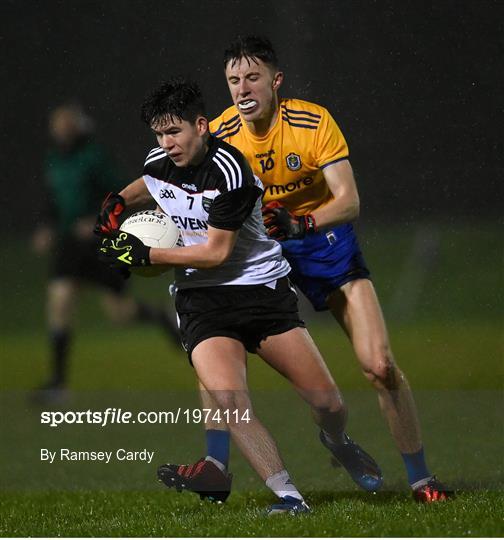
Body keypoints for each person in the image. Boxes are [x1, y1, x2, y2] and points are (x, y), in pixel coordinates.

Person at [96, 79, 383, 514]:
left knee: (329, 403)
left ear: (201, 125)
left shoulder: (230, 170)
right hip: (200, 301)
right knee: (231, 402)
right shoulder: (160, 159)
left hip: (261, 293)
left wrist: (144, 253)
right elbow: (150, 180)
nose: (166, 143)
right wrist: (119, 199)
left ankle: (337, 440)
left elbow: (216, 253)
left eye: (174, 132)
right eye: (158, 134)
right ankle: (289, 497)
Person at [201, 35, 454, 503]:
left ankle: (420, 479)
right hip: (260, 256)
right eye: (234, 80)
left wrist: (303, 222)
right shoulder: (218, 136)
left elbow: (349, 201)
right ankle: (215, 463)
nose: (242, 89)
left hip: (322, 243)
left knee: (379, 366)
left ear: (276, 81)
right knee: (209, 335)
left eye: (252, 77)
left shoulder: (311, 122)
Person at [32, 103, 179, 401]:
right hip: (68, 245)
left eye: (65, 123)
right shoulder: (54, 159)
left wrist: (95, 219)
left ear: (77, 125)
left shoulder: (93, 157)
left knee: (119, 314)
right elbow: (53, 200)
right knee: (59, 302)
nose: (59, 128)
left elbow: (118, 192)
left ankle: (163, 317)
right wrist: (47, 226)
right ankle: (58, 384)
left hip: (98, 242)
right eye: (56, 123)